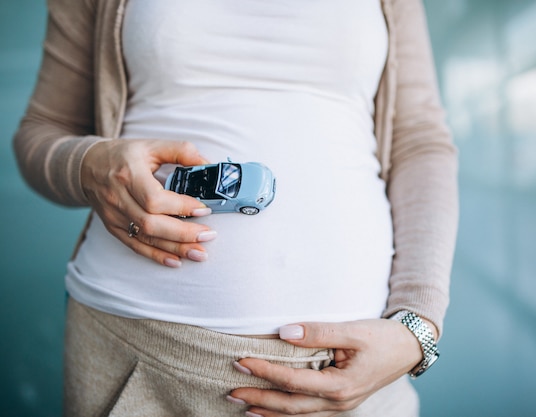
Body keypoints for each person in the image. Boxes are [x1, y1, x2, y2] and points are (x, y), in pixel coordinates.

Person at [13, 0, 458, 415]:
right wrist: (88, 165)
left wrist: (417, 326)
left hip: (358, 369)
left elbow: (421, 141)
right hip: (137, 347)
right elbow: (42, 129)